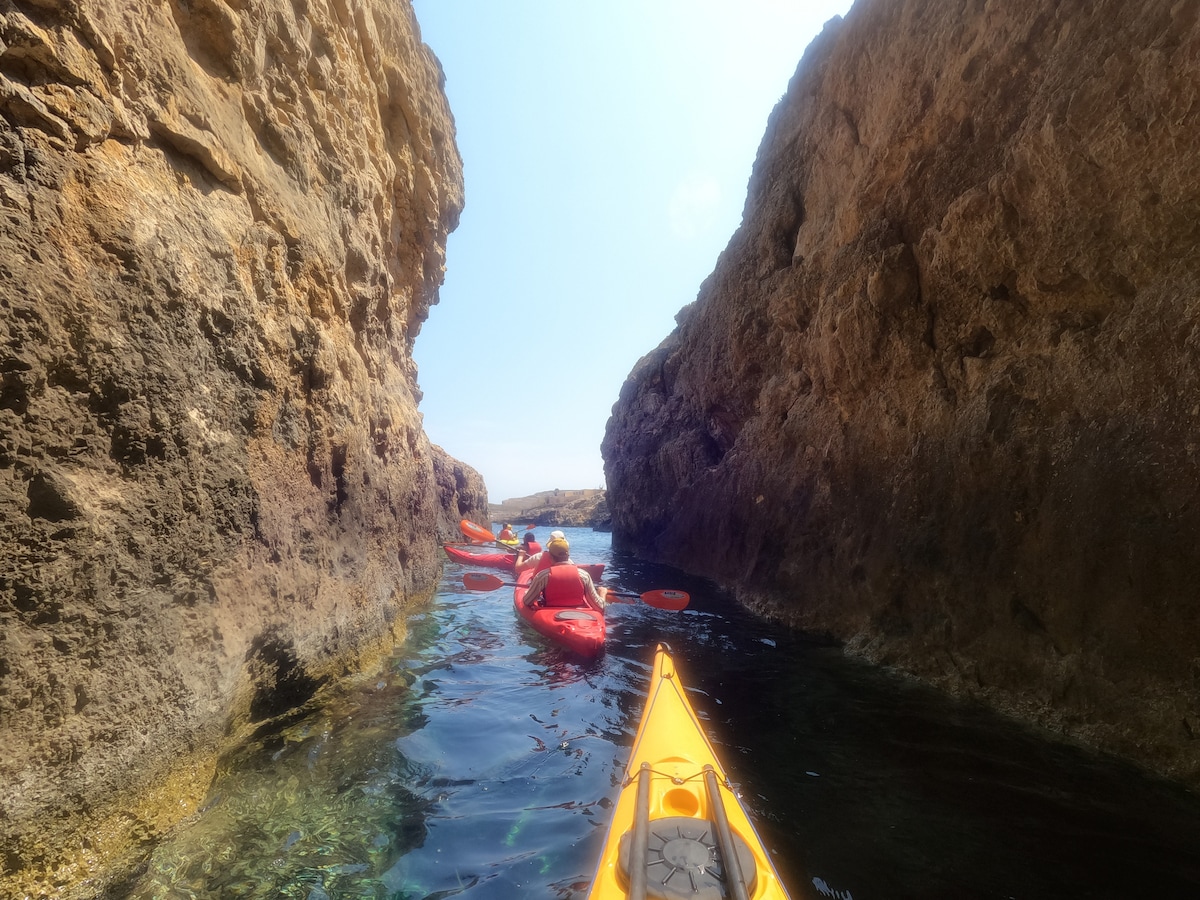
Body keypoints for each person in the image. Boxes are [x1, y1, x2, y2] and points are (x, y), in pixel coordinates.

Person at [521, 536, 606, 612]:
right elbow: (600, 607)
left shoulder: (542, 576)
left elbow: (527, 601)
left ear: (550, 557)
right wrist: (602, 593)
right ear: (568, 556)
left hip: (549, 614)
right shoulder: (584, 575)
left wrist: (528, 592)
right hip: (579, 616)